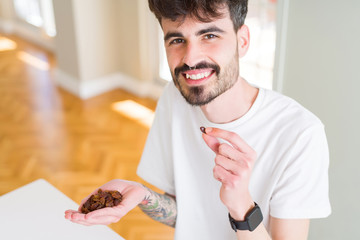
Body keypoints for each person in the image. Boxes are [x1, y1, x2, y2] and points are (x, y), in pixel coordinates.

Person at [65, 0, 331, 239]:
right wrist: (142, 196)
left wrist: (241, 206)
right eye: (177, 40)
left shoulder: (300, 134)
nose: (190, 59)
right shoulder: (175, 97)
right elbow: (187, 216)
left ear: (243, 41)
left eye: (210, 35)